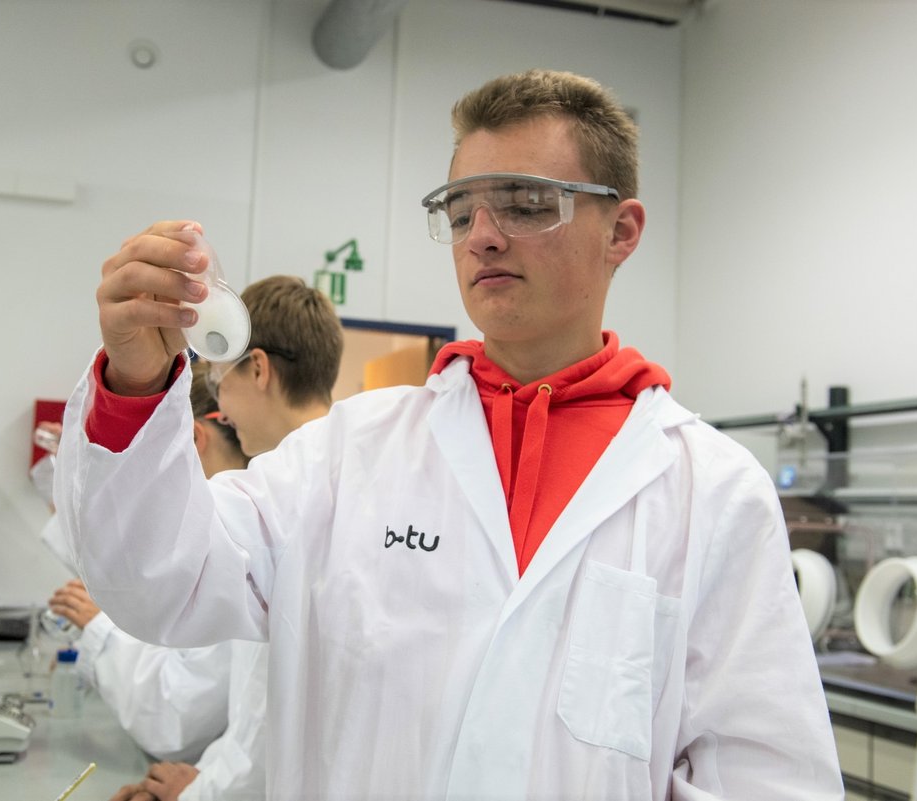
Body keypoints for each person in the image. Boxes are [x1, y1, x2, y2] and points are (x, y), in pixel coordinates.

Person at [54, 69, 843, 799]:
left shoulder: (712, 491)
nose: (483, 236)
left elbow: (766, 778)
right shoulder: (346, 456)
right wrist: (133, 386)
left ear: (622, 231)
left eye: (527, 203)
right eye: (462, 210)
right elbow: (161, 584)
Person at [59, 276, 343, 801]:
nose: (222, 410)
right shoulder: (323, 480)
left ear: (257, 368)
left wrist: (199, 793)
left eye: (219, 384)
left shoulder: (302, 503)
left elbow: (265, 717)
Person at [47, 362, 246, 766]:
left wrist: (99, 630)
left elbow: (175, 718)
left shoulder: (237, 544)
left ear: (192, 437)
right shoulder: (209, 527)